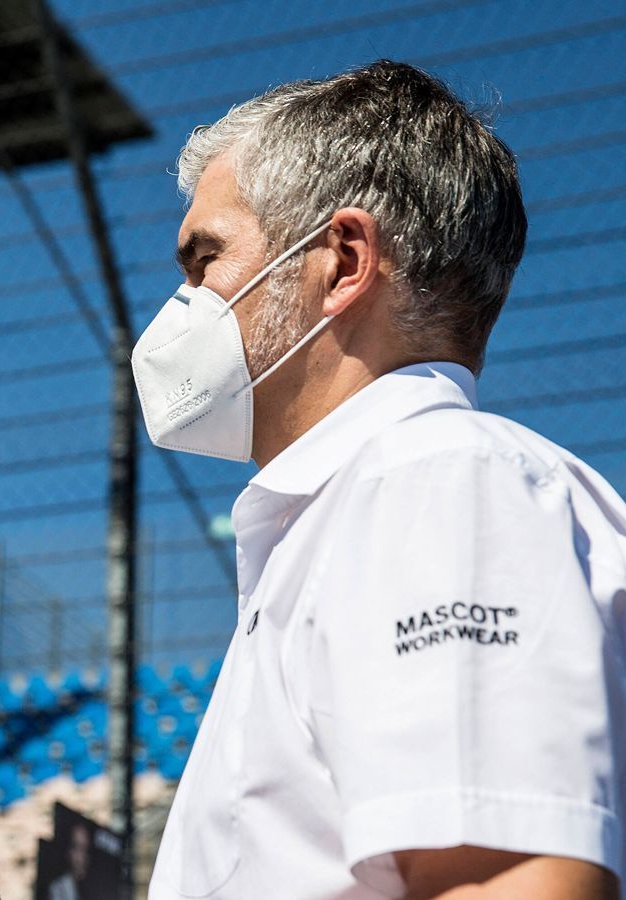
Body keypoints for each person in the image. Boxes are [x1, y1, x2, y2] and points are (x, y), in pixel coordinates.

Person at [134, 61, 626, 897]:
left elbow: (506, 881)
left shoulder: (437, 486)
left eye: (203, 259)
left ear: (343, 260)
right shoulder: (357, 513)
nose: (181, 301)